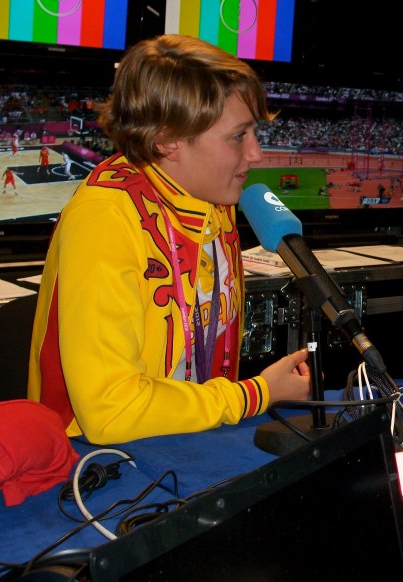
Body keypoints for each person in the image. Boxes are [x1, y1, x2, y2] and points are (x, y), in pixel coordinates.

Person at [28, 35, 311, 444]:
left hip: (190, 439)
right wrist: (255, 394)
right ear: (167, 140)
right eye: (239, 135)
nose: (256, 153)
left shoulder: (213, 200)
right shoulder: (104, 218)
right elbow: (111, 411)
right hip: (95, 461)